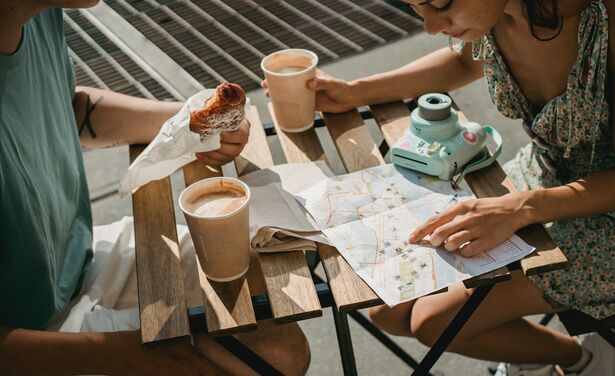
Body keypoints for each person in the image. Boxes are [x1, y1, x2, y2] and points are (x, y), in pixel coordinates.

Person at [263, 0, 615, 374]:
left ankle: (582, 361)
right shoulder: (498, 13)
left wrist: (521, 208)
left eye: (442, 3)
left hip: (593, 214)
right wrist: (354, 92)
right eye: (417, 6)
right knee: (389, 308)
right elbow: (463, 63)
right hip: (544, 180)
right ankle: (546, 357)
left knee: (433, 322)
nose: (431, 26)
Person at [0, 1, 310, 375]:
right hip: (33, 333)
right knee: (273, 357)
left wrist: (188, 125)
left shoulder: (40, 12)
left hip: (79, 257)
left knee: (268, 289)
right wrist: (145, 354)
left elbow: (69, 106)